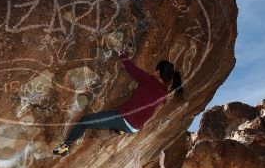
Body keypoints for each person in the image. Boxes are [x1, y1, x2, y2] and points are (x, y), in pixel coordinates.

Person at [52, 45, 183, 156]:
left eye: (155, 71)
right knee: (115, 117)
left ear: (158, 72)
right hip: (135, 128)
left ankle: (65, 147)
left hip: (124, 119)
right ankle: (119, 130)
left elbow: (132, 69)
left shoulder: (149, 80)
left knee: (84, 121)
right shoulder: (164, 93)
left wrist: (122, 54)